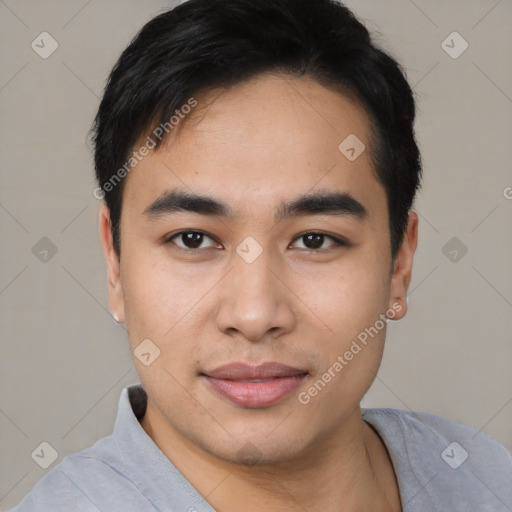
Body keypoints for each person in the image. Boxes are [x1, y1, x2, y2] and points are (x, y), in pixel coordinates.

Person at [11, 0, 512, 510]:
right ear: (115, 262)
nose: (254, 316)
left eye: (315, 240)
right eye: (192, 239)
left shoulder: (484, 477)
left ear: (399, 263)